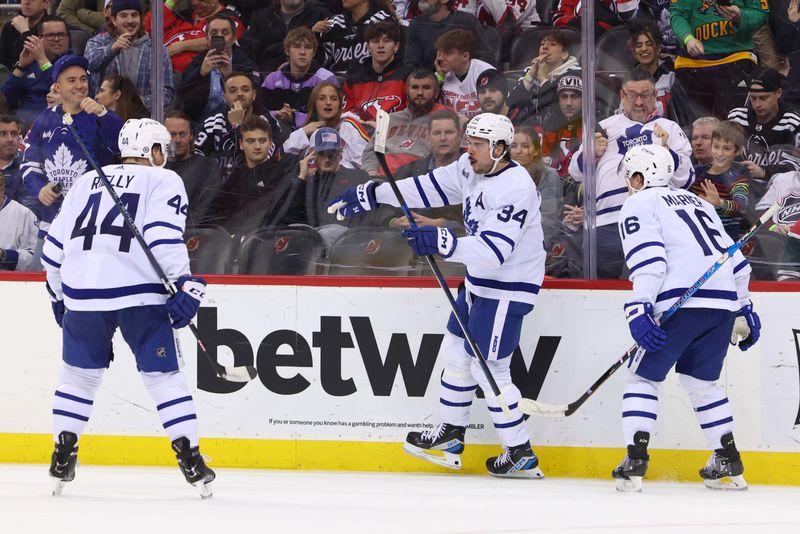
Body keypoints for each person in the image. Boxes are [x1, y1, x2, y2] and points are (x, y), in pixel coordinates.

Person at [327, 113, 547, 478]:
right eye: (470, 142)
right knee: (457, 353)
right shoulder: (471, 168)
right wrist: (374, 193)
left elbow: (495, 251)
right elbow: (429, 187)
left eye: (477, 144)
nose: (469, 150)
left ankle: (519, 450)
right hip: (480, 283)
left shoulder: (516, 188)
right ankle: (449, 436)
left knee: (489, 368)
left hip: (507, 287)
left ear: (500, 148)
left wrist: (442, 241)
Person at [41, 118, 215, 498]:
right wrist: (183, 284)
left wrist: (58, 296)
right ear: (153, 151)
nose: (165, 157)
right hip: (140, 296)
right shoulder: (164, 180)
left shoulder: (88, 179)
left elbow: (52, 251)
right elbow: (162, 237)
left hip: (83, 295)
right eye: (162, 150)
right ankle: (190, 457)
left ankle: (62, 452)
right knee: (163, 378)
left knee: (77, 378)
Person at [612, 143, 759, 492]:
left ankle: (635, 459)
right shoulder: (697, 202)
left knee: (642, 380)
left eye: (629, 177)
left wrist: (640, 307)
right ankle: (727, 457)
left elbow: (650, 260)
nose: (628, 185)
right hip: (721, 303)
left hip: (679, 302)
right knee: (701, 383)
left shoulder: (638, 203)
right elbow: (736, 261)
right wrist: (744, 308)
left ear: (639, 175)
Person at [568, 69, 693, 279]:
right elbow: (575, 173)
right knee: (599, 291)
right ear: (622, 96)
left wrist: (667, 153)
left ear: (655, 96)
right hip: (607, 222)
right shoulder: (604, 127)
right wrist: (591, 153)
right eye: (632, 95)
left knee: (653, 284)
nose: (638, 102)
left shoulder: (668, 128)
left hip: (654, 222)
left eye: (645, 95)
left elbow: (687, 179)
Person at [20, 55, 124, 227]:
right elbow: (29, 163)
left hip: (93, 221)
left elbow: (120, 148)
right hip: (51, 221)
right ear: (58, 87)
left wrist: (103, 115)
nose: (79, 85)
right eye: (71, 80)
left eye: (83, 79)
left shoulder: (101, 115)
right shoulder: (44, 119)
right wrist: (40, 189)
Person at [669, 0, 768, 119]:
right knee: (696, 126)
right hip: (694, 64)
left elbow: (761, 13)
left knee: (733, 125)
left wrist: (741, 16)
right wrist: (688, 38)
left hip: (736, 58)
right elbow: (678, 14)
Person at [205, 115, 300, 233]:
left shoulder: (281, 173)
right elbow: (214, 210)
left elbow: (279, 214)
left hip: (266, 240)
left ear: (270, 143)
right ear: (241, 144)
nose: (257, 146)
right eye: (250, 141)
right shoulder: (235, 176)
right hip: (232, 242)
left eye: (262, 141)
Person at [84, 0, 174, 111]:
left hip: (141, 117)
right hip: (102, 115)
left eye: (134, 15)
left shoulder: (156, 50)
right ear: (113, 20)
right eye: (124, 16)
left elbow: (166, 94)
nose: (130, 20)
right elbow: (89, 64)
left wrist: (138, 103)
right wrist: (112, 48)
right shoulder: (98, 42)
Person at [727, 67, 800, 204]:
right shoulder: (736, 117)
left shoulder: (793, 123)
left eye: (763, 98)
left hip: (775, 191)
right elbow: (721, 150)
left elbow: (795, 167)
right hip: (736, 185)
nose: (757, 104)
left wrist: (764, 173)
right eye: (753, 98)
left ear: (778, 93)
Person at [195, 71, 283, 181]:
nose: (240, 94)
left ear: (254, 95)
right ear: (225, 97)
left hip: (255, 187)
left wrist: (237, 126)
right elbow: (196, 156)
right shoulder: (213, 123)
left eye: (245, 89)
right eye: (233, 91)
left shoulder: (268, 124)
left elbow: (262, 161)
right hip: (217, 188)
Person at [361, 68, 447, 175]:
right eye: (415, 87)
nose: (420, 93)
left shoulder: (446, 120)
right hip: (383, 180)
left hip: (420, 179)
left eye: (426, 88)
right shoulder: (389, 119)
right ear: (407, 91)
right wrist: (370, 170)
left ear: (436, 92)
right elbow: (370, 152)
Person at [391, 108, 464, 231]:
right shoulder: (408, 171)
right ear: (428, 137)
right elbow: (385, 207)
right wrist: (393, 222)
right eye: (437, 133)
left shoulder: (475, 171)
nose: (443, 138)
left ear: (460, 136)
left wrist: (437, 224)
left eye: (449, 132)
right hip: (403, 239)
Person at [177, 14, 258, 124]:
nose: (219, 37)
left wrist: (230, 76)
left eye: (225, 33)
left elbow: (255, 101)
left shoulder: (247, 65)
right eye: (214, 33)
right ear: (207, 38)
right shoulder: (196, 64)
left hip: (235, 124)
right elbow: (184, 101)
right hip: (198, 125)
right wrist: (200, 74)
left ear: (234, 38)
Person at [261, 27, 338, 130]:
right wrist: (278, 114)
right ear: (287, 51)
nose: (302, 52)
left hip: (316, 134)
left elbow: (333, 115)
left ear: (313, 53)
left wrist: (295, 118)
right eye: (297, 46)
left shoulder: (327, 79)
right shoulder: (272, 80)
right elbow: (260, 113)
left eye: (308, 47)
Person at [1, 15, 71, 126]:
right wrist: (21, 67)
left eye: (61, 35)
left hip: (57, 123)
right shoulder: (30, 63)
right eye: (51, 35)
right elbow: (5, 99)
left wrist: (42, 60)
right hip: (21, 125)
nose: (57, 39)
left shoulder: (74, 63)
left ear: (68, 38)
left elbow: (66, 91)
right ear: (40, 39)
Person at [283, 82, 370, 170]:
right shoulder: (306, 132)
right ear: (314, 104)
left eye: (334, 99)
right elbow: (284, 157)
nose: (328, 102)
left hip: (345, 181)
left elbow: (365, 160)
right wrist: (303, 132)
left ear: (339, 104)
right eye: (322, 98)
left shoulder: (349, 125)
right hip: (311, 182)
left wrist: (336, 168)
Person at [144, 0, 246, 75]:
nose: (195, 3)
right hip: (151, 70)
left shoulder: (228, 19)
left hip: (190, 78)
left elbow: (221, 40)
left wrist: (180, 46)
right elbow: (145, 28)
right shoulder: (180, 17)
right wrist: (171, 2)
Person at [507, 29, 581, 126]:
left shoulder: (574, 73)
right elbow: (512, 103)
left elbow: (557, 106)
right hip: (529, 131)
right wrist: (531, 74)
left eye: (552, 44)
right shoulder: (529, 71)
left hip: (559, 129)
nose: (545, 47)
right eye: (542, 44)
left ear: (564, 54)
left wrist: (542, 77)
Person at [342, 21, 412, 122]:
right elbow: (347, 116)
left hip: (396, 133)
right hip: (360, 133)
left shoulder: (408, 76)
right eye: (375, 41)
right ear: (368, 47)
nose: (380, 45)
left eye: (386, 41)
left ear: (396, 46)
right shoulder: (353, 79)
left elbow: (412, 115)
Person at [691, 121, 749, 241]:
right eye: (716, 146)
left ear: (738, 151)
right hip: (696, 235)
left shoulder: (738, 180)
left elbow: (740, 206)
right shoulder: (696, 172)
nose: (719, 153)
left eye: (726, 148)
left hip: (725, 240)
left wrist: (719, 202)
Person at [165, 109, 223, 228]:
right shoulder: (155, 168)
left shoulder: (207, 166)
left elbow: (206, 209)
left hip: (193, 234)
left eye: (182, 134)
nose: (177, 140)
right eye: (172, 134)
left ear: (192, 135)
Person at [240, 0, 331, 73]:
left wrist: (312, 35)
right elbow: (248, 53)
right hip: (268, 81)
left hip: (311, 80)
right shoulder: (261, 17)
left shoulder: (320, 14)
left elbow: (331, 55)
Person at [404, 0, 493, 71]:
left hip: (465, 82)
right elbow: (411, 64)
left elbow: (486, 57)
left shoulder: (467, 21)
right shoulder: (416, 24)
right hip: (431, 85)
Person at [511, 125, 562, 246]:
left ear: (536, 151)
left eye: (525, 146)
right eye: (513, 146)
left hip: (536, 245)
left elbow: (549, 220)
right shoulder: (500, 177)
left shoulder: (548, 175)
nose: (518, 151)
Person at [317, 0, 396, 73]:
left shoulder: (383, 21)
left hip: (370, 81)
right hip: (336, 83)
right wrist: (315, 35)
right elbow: (321, 62)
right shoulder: (333, 23)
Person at [435, 28, 494, 120]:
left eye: (447, 53)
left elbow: (498, 112)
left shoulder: (486, 73)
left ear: (465, 56)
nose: (440, 58)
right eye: (439, 53)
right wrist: (439, 78)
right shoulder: (441, 74)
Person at [541, 72, 582, 182]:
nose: (568, 103)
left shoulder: (594, 126)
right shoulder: (549, 126)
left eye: (574, 96)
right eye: (564, 97)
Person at [0, 172, 39, 271]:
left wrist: (4, 255)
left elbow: (37, 258)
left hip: (11, 282)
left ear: (2, 188)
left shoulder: (23, 214)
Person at [0, 0, 50, 70]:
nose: (26, 2)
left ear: (46, 3)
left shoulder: (55, 28)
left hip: (44, 74)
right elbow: (4, 61)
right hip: (16, 75)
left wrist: (25, 32)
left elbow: (46, 63)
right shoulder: (10, 26)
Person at [0, 115, 23, 204]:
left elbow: (30, 207)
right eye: (3, 134)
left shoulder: (28, 167)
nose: (10, 139)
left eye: (14, 134)